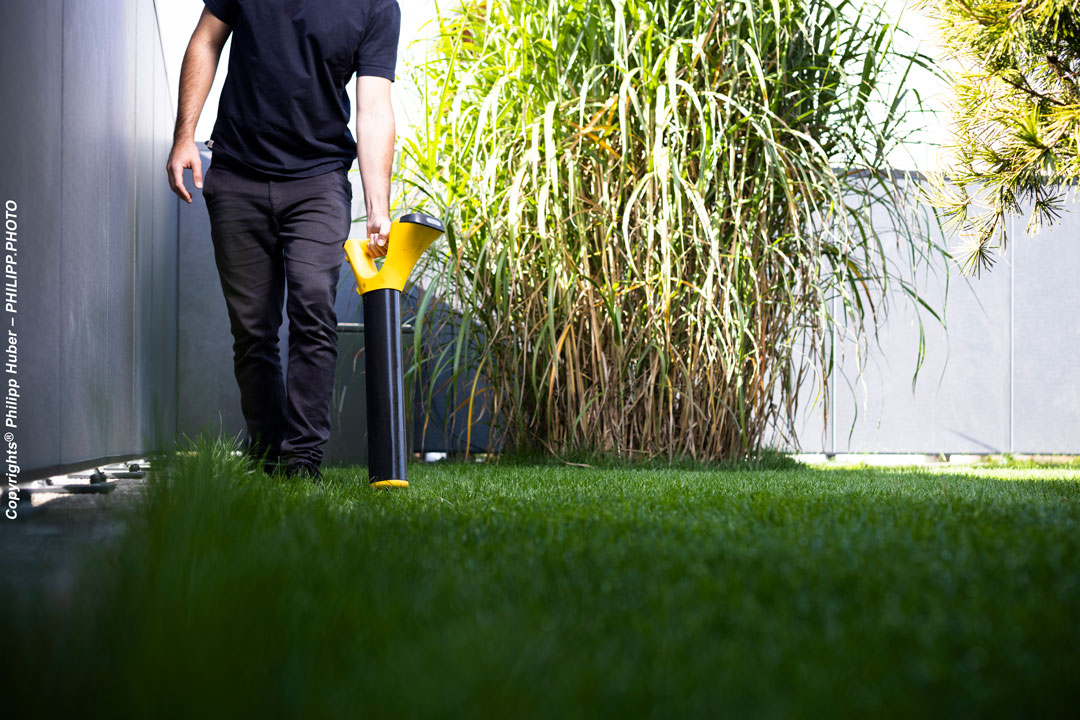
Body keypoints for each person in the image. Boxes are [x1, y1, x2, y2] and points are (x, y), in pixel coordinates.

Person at [166, 0, 400, 481]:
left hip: (317, 178)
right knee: (252, 329)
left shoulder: (377, 7)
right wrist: (184, 136)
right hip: (237, 171)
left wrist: (379, 205)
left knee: (314, 307)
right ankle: (268, 456)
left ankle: (301, 462)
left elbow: (374, 107)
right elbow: (206, 40)